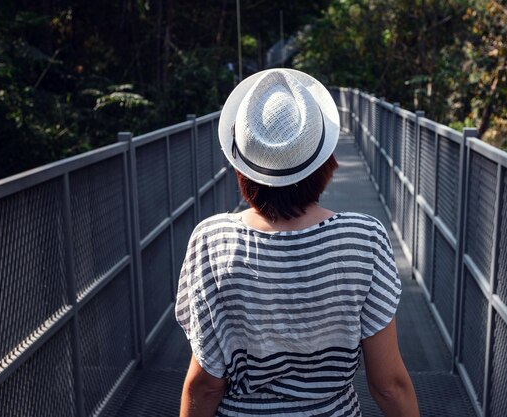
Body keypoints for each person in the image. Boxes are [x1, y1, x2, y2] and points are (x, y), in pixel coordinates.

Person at [175, 68, 419, 417]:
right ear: (325, 161)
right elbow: (388, 385)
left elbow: (206, 384)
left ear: (242, 166)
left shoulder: (212, 242)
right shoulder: (364, 239)